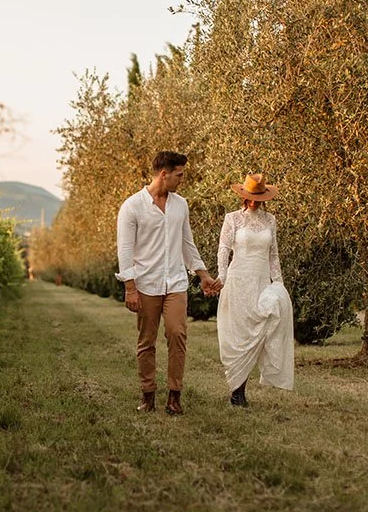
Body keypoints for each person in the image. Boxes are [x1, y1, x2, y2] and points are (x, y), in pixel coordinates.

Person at [116, 151, 216, 415]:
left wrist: (203, 274)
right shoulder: (132, 206)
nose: (182, 180)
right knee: (146, 341)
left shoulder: (180, 205)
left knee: (177, 334)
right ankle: (148, 395)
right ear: (164, 174)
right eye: (179, 175)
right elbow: (125, 250)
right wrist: (130, 287)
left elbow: (187, 243)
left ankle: (174, 396)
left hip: (175, 282)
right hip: (146, 284)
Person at [213, 173, 294, 407]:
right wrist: (223, 276)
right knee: (239, 333)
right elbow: (223, 249)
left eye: (258, 198)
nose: (254, 202)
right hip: (238, 279)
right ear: (244, 197)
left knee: (258, 329)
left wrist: (278, 283)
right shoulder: (233, 219)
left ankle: (242, 387)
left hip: (260, 281)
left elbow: (274, 254)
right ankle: (238, 391)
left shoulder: (270, 220)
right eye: (250, 197)